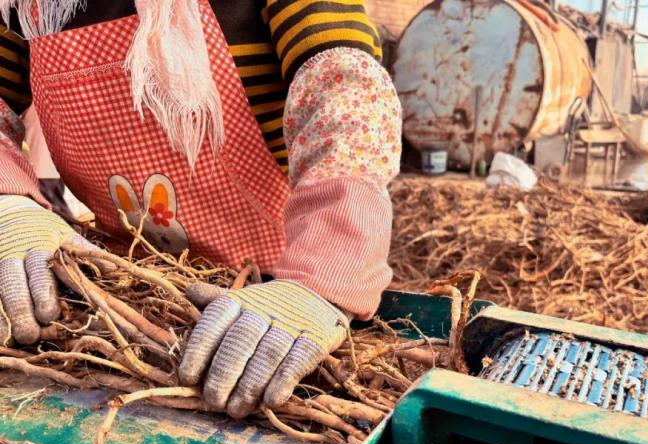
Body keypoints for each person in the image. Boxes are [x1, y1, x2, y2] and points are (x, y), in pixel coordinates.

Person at [0, 1, 401, 417]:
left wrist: (323, 274)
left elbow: (346, 92)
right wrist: (8, 204)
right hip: (122, 301)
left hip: (279, 300)